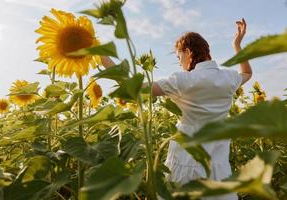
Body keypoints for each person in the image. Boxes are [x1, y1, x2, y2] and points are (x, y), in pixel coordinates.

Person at [101, 18, 252, 200]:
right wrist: (237, 44)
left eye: (178, 56)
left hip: (187, 165)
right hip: (219, 170)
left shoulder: (183, 81)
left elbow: (136, 87)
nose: (179, 62)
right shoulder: (229, 78)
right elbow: (247, 73)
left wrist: (102, 56)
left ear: (188, 52)